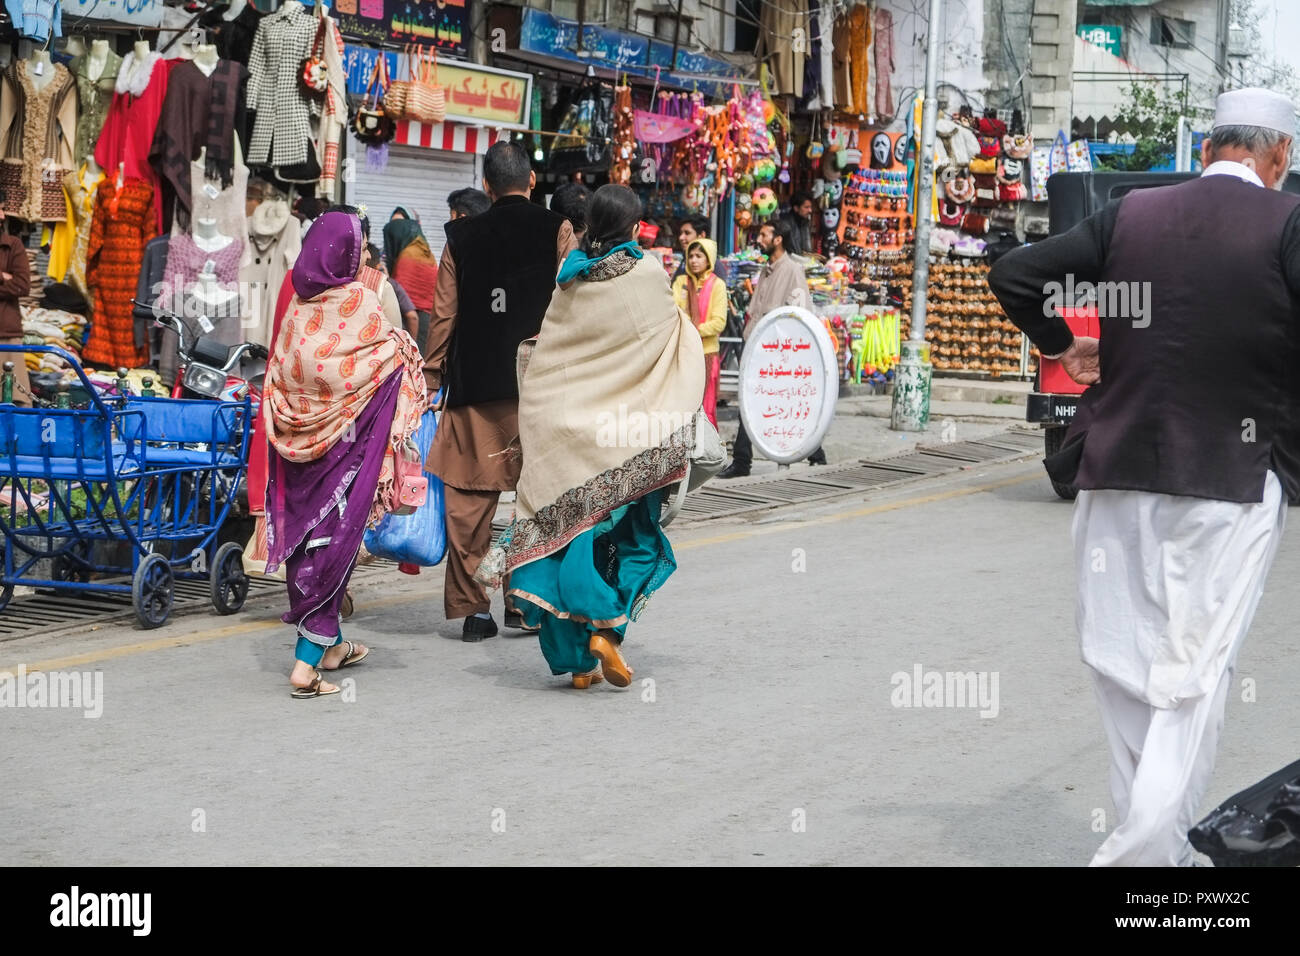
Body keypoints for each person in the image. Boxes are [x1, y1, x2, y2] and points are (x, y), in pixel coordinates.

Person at [987, 88, 1299, 866]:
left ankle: (1163, 855)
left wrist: (1062, 344)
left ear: (1206, 149)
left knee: (1126, 671)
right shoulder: (1287, 223)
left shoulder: (1132, 214)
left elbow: (1017, 274)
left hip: (1116, 472)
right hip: (1233, 479)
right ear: (1279, 156)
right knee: (1190, 680)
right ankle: (1142, 866)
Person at [477, 184, 704, 689]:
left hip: (567, 438)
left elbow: (549, 359)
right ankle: (609, 629)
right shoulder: (646, 274)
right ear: (633, 228)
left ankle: (578, 663)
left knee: (564, 541)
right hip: (623, 439)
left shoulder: (568, 281)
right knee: (631, 537)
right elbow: (670, 339)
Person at [263, 210, 426, 699]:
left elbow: (286, 373)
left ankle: (330, 647)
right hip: (345, 455)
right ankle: (305, 666)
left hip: (298, 456)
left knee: (304, 545)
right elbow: (387, 361)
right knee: (333, 546)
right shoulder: (358, 300)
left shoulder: (297, 308)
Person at [423, 140, 578, 641]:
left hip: (475, 388)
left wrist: (430, 378)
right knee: (534, 499)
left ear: (486, 185)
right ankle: (524, 603)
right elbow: (573, 306)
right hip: (540, 389)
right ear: (532, 180)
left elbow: (443, 316)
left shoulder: (459, 237)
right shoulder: (557, 229)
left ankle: (474, 613)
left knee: (470, 503)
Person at [717, 217, 825, 478]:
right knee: (752, 401)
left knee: (778, 403)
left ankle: (813, 453)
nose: (760, 239)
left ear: (778, 239)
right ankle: (744, 460)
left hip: (778, 353)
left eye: (765, 235)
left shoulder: (792, 271)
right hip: (756, 348)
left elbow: (799, 313)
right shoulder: (766, 270)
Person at [672, 237, 727, 426]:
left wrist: (691, 329)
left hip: (706, 354)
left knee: (706, 404)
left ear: (709, 259)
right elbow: (673, 312)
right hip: (683, 352)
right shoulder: (680, 282)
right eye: (691, 256)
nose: (694, 260)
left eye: (699, 256)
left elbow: (719, 322)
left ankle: (705, 450)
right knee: (681, 405)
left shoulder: (717, 285)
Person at [382, 215, 438, 355]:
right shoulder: (425, 251)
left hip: (412, 320)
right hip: (431, 317)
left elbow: (398, 297)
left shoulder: (406, 257)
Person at [0, 207, 32, 406]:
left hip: (6, 332)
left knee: (17, 401)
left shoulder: (13, 245)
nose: (2, 215)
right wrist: (3, 277)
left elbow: (22, 285)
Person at [673, 215, 710, 279]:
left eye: (687, 233)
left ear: (701, 235)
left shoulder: (714, 265)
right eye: (681, 233)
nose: (681, 238)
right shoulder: (685, 259)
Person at [783, 190, 815, 256]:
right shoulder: (785, 224)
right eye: (806, 207)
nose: (810, 210)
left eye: (810, 207)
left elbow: (807, 250)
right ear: (796, 208)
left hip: (804, 263)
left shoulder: (805, 222)